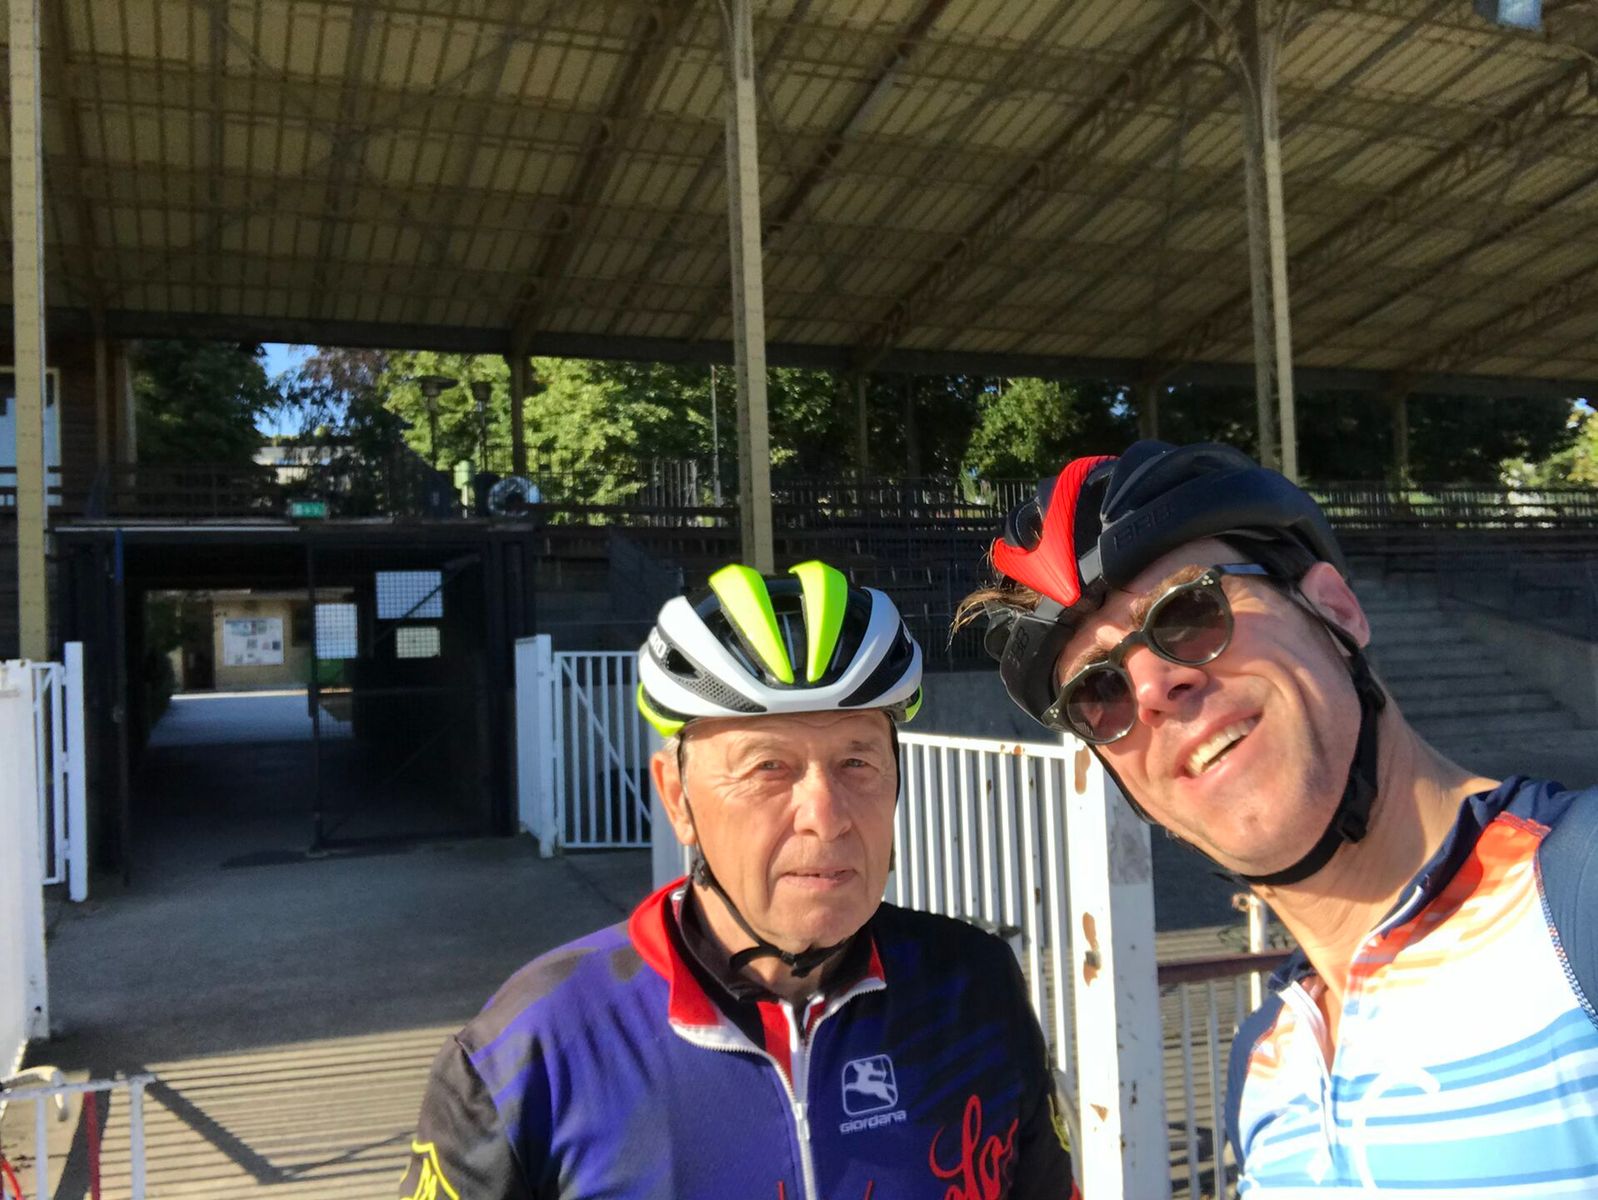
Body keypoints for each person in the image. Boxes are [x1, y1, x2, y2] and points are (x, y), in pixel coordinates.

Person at [964, 440, 1598, 1195]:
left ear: (1335, 608)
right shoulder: (1268, 1066)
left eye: (1187, 611)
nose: (1154, 688)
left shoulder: (1577, 896)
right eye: (1099, 695)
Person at [401, 560, 1078, 1199]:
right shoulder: (528, 1056)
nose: (826, 818)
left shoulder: (974, 989)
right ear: (677, 800)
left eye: (857, 763)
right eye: (767, 768)